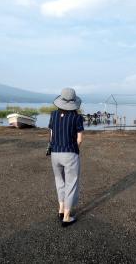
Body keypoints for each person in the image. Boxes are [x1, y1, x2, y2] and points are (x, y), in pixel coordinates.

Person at [48, 88, 84, 227]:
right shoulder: (77, 117)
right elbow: (79, 139)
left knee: (59, 181)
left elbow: (51, 135)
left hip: (55, 153)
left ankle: (61, 209)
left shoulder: (53, 115)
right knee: (71, 184)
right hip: (70, 154)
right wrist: (73, 149)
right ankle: (67, 217)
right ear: (74, 102)